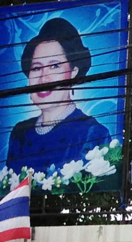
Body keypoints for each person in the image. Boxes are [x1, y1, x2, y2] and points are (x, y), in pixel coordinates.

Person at [6, 17, 110, 181]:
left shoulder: (93, 133)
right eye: (36, 68)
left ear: (73, 71)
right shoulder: (20, 134)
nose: (43, 78)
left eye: (54, 66)